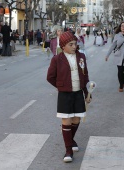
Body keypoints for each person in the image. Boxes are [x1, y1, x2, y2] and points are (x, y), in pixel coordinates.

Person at [47, 31, 91, 163]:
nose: (74, 46)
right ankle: (68, 150)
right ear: (64, 46)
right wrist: (60, 86)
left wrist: (87, 92)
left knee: (76, 120)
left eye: (75, 44)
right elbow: (50, 77)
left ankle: (70, 139)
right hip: (64, 94)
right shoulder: (57, 59)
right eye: (71, 44)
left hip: (78, 93)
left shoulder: (81, 56)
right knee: (66, 120)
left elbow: (85, 75)